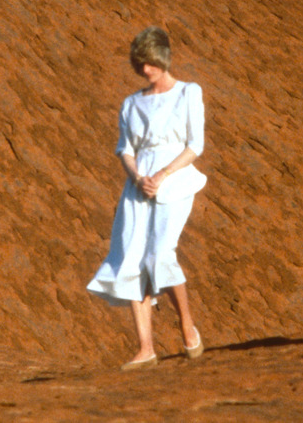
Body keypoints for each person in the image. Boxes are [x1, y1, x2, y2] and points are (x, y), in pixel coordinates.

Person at [87, 26, 207, 370]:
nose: (144, 70)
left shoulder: (188, 93)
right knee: (131, 258)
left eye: (149, 63)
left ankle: (187, 326)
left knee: (159, 254)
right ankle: (146, 348)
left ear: (162, 59)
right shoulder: (131, 103)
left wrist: (162, 175)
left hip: (175, 178)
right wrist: (139, 177)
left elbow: (195, 145)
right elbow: (125, 149)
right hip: (138, 185)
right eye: (139, 64)